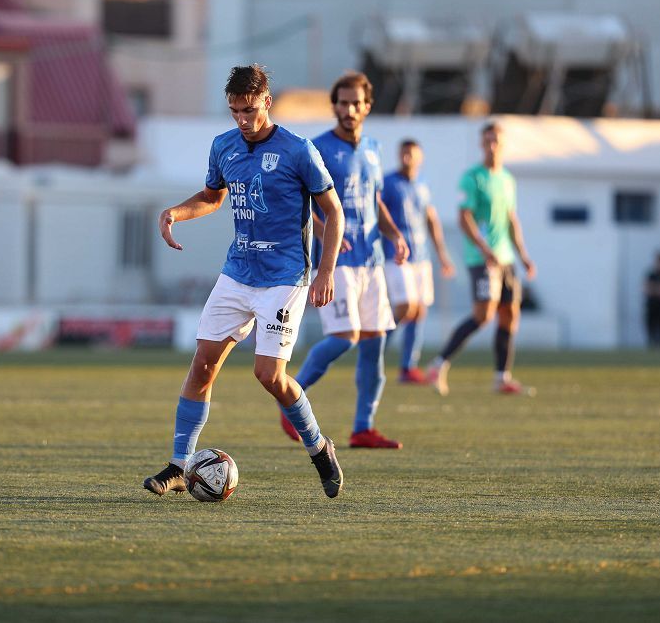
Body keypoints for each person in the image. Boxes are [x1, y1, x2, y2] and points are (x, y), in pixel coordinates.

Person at [143, 64, 346, 499]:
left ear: (267, 103)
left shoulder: (298, 150)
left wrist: (325, 271)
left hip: (284, 277)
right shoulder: (224, 146)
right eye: (235, 111)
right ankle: (180, 465)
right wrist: (176, 212)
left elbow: (334, 211)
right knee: (202, 366)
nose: (242, 119)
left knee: (268, 375)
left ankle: (318, 448)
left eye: (250, 110)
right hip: (237, 272)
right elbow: (213, 197)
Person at [278, 71, 410, 449]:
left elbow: (375, 200)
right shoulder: (317, 148)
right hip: (338, 263)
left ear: (367, 106)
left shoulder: (372, 147)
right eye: (342, 103)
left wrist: (395, 234)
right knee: (344, 338)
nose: (349, 109)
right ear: (334, 106)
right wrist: (325, 235)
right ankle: (290, 397)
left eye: (356, 103)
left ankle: (363, 428)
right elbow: (304, 203)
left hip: (372, 260)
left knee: (374, 345)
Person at [426, 121, 536, 396]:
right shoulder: (472, 177)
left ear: (503, 144)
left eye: (496, 140)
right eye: (487, 140)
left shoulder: (508, 180)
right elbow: (464, 218)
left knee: (510, 314)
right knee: (484, 314)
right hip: (482, 258)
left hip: (506, 258)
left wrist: (523, 255)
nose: (492, 145)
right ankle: (439, 364)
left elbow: (511, 219)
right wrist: (484, 248)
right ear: (481, 144)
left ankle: (502, 377)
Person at [380, 139, 455, 383]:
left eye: (411, 154)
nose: (407, 158)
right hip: (397, 255)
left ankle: (407, 367)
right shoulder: (389, 183)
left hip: (421, 256)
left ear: (420, 158)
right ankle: (375, 353)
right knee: (406, 308)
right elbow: (378, 216)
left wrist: (442, 255)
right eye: (403, 153)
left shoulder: (423, 185)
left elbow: (431, 219)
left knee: (420, 311)